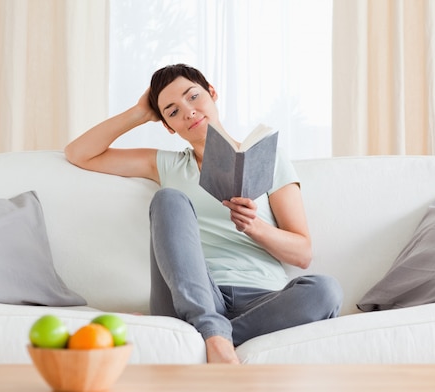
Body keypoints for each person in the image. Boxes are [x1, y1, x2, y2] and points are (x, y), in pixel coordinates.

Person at [64, 64, 343, 364]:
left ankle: (211, 336)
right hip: (192, 296)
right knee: (168, 198)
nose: (188, 112)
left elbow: (302, 253)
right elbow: (79, 153)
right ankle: (210, 327)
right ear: (169, 127)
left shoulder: (269, 159)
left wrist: (254, 226)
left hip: (263, 300)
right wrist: (139, 112)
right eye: (172, 112)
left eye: (193, 96)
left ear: (212, 93)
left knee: (326, 291)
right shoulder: (167, 166)